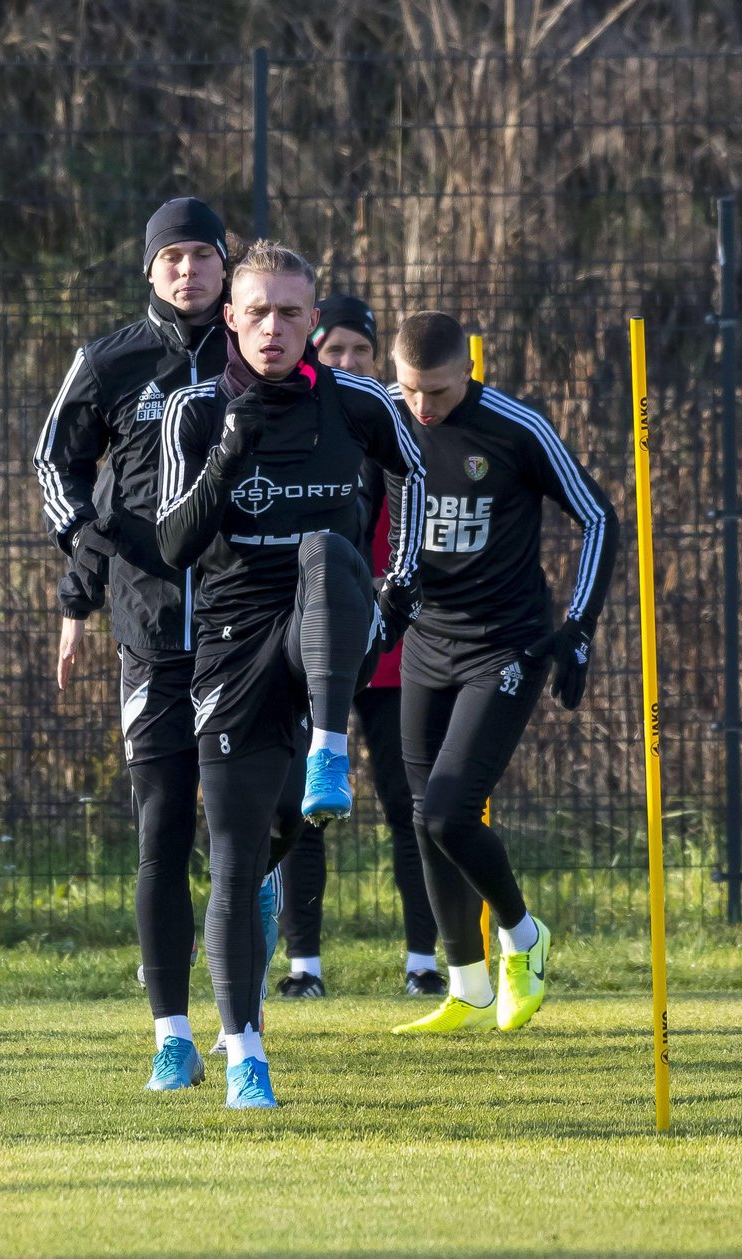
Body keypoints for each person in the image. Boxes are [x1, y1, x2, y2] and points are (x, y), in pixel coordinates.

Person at [156, 242, 425, 1108]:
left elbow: (415, 476)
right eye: (258, 311)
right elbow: (171, 543)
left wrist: (400, 588)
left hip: (327, 629)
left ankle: (327, 751)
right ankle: (245, 1059)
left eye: (291, 312)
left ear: (317, 323)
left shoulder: (359, 403)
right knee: (241, 859)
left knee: (324, 553)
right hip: (234, 642)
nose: (274, 327)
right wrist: (228, 456)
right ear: (230, 318)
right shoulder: (197, 411)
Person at [34, 196, 280, 1093]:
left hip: (248, 627)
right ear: (149, 269)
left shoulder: (255, 350)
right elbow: (53, 466)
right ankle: (173, 1036)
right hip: (150, 629)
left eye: (202, 256)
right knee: (163, 830)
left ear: (226, 266)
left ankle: (246, 1016)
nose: (187, 271)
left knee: (251, 838)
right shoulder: (108, 361)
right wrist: (89, 558)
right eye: (170, 257)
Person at [387, 311, 619, 1037]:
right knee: (424, 820)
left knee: (452, 811)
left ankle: (525, 937)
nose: (423, 407)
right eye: (410, 390)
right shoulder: (383, 417)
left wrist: (577, 629)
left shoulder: (517, 427)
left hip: (506, 646)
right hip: (426, 642)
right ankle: (468, 987)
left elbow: (600, 516)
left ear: (467, 373)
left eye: (438, 391)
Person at [277, 295, 444, 999]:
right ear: (315, 351)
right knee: (303, 803)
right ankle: (303, 966)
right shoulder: (301, 426)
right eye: (335, 349)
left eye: (360, 351)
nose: (348, 362)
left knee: (411, 806)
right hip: (313, 648)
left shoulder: (399, 429)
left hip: (393, 651)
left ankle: (423, 960)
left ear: (380, 360)